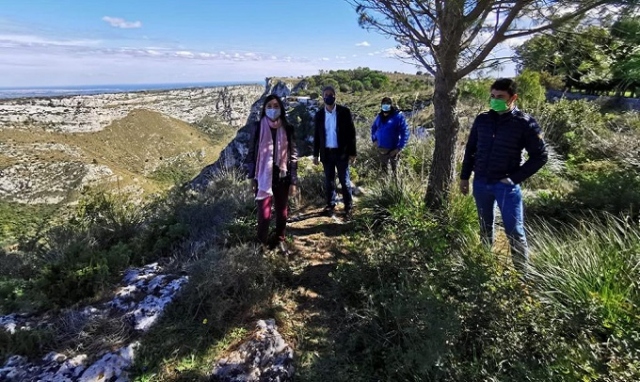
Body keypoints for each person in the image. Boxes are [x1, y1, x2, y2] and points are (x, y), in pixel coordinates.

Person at [459, 78, 548, 274]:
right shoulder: (482, 119)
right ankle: (484, 265)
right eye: (492, 96)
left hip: (506, 186)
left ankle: (523, 275)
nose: (495, 100)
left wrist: (513, 178)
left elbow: (540, 156)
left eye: (500, 97)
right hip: (481, 183)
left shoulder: (525, 123)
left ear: (513, 98)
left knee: (515, 231)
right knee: (484, 227)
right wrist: (464, 177)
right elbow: (471, 149)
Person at [245, 94, 298, 254]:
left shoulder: (288, 128)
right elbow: (251, 153)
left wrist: (293, 181)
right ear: (264, 108)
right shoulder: (257, 127)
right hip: (262, 176)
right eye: (269, 106)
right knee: (264, 215)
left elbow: (293, 154)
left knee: (282, 212)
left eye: (276, 106)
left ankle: (280, 240)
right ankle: (261, 244)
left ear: (281, 108)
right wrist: (251, 177)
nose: (273, 109)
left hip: (283, 176)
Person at [313, 85, 357, 219]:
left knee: (345, 181)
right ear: (322, 97)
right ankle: (330, 205)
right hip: (327, 153)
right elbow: (316, 136)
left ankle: (348, 206)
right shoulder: (319, 115)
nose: (328, 96)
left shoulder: (345, 112)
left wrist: (352, 153)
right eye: (326, 94)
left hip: (342, 152)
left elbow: (352, 134)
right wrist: (315, 155)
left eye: (331, 94)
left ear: (335, 96)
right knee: (329, 181)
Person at [371, 96, 410, 174]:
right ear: (381, 105)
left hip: (394, 150)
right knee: (384, 171)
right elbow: (374, 127)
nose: (385, 105)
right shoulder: (379, 116)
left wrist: (399, 148)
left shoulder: (398, 116)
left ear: (390, 105)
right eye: (383, 104)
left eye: (387, 104)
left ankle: (396, 185)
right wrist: (374, 139)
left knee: (396, 172)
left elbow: (405, 132)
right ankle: (385, 185)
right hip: (382, 149)